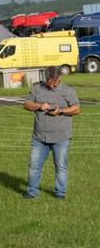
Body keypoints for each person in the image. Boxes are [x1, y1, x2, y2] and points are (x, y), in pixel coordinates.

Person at [23, 66, 80, 199]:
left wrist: (61, 111)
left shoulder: (68, 90)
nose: (52, 85)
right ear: (45, 78)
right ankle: (32, 192)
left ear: (59, 78)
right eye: (49, 82)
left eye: (54, 82)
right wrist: (39, 106)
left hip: (61, 137)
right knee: (34, 166)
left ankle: (60, 193)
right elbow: (26, 104)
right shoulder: (37, 88)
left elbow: (77, 109)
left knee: (60, 167)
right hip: (39, 137)